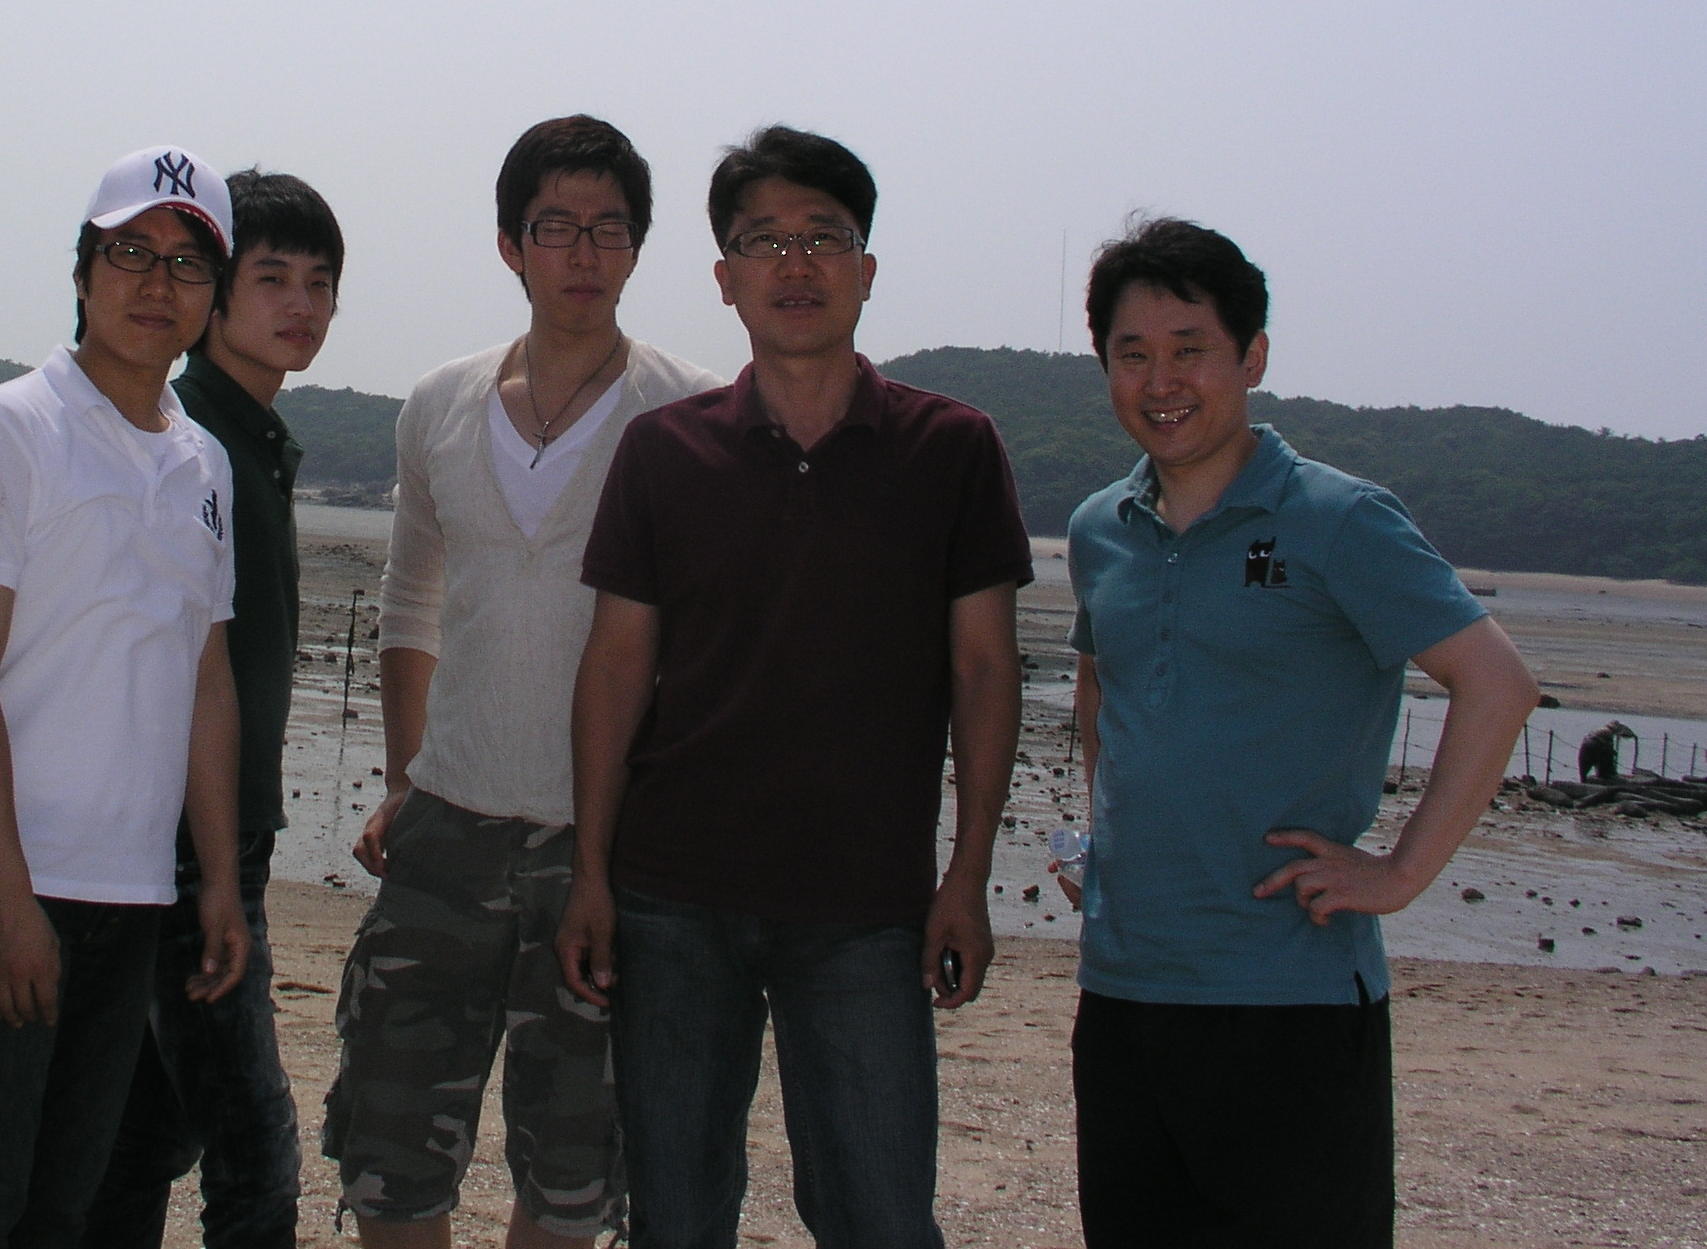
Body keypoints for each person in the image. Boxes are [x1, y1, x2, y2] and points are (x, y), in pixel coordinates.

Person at [558, 124, 1031, 1249]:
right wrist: (591, 873)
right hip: (673, 895)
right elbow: (615, 669)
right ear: (725, 279)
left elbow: (984, 670)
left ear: (867, 268)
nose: (796, 264)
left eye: (825, 237)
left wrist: (967, 875)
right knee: (676, 1216)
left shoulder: (952, 448)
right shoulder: (664, 451)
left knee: (879, 1215)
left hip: (865, 907)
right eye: (763, 241)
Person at [1059, 218, 1540, 1248]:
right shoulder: (1101, 529)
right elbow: (1103, 685)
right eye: (1132, 355)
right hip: (1124, 993)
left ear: (1253, 357)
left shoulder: (1338, 517)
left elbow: (1496, 684)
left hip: (1292, 1001)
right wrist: (1102, 839)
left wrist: (1400, 873)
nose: (1161, 381)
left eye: (1190, 348)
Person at [324, 116, 722, 1249]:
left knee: (575, 1166)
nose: (583, 252)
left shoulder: (689, 413)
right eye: (556, 227)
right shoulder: (438, 404)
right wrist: (403, 782)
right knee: (392, 1148)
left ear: (637, 248)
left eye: (609, 228)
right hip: (445, 831)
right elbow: (410, 600)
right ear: (510, 244)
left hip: (607, 843)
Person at [0, 146, 253, 1249]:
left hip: (128, 894)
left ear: (213, 294)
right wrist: (5, 899)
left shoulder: (204, 463)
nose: (156, 283)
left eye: (187, 263)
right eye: (131, 252)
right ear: (84, 270)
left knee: (61, 1209)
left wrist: (218, 881)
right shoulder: (9, 429)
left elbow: (206, 679)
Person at [82, 169, 346, 1249]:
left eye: (320, 284)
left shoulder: (251, 442)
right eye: (272, 278)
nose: (300, 305)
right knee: (254, 1152)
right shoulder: (190, 441)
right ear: (218, 291)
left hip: (215, 840)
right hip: (187, 847)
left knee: (144, 1136)